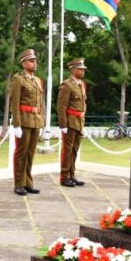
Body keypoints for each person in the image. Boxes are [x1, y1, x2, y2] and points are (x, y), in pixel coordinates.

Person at [10, 48, 44, 196]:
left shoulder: (37, 80)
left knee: (30, 153)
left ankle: (28, 182)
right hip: (24, 120)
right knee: (21, 153)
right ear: (23, 63)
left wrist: (41, 121)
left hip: (35, 121)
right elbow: (15, 102)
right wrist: (16, 124)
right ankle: (19, 184)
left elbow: (40, 103)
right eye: (31, 61)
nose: (34, 63)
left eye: (35, 60)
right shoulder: (18, 79)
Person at [57, 57, 87, 188]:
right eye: (80, 69)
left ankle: (72, 174)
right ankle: (64, 176)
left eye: (83, 69)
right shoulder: (67, 85)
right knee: (67, 150)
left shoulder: (81, 84)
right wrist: (63, 125)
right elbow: (61, 106)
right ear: (73, 70)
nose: (83, 71)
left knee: (74, 150)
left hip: (79, 121)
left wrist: (83, 121)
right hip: (69, 122)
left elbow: (83, 105)